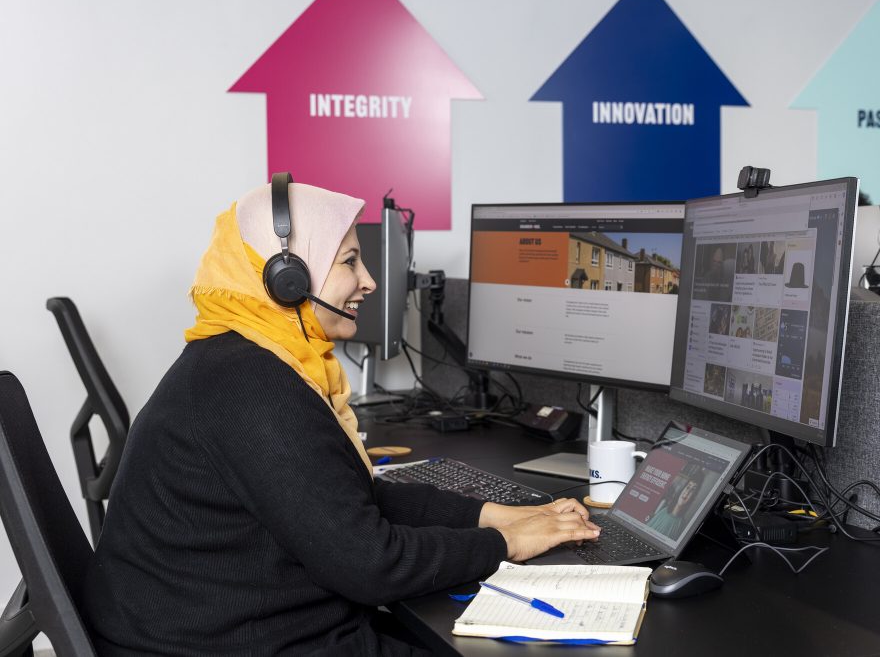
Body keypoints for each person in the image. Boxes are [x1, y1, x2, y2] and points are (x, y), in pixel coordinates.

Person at [80, 177, 600, 656]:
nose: (368, 281)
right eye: (350, 261)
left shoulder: (246, 356)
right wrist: (509, 542)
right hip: (225, 642)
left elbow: (352, 501)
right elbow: (371, 564)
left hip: (222, 626)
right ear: (286, 277)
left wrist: (491, 514)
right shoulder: (253, 386)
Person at [646, 468, 705, 541]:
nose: (687, 492)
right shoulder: (664, 511)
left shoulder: (681, 525)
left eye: (692, 489)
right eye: (688, 487)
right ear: (683, 489)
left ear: (693, 497)